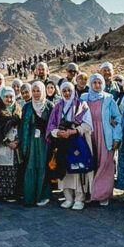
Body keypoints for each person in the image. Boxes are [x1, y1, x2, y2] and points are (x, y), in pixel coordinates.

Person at [46, 82, 93, 210]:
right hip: (62, 142)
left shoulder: (81, 105)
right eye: (64, 91)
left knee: (78, 170)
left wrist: (73, 131)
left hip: (76, 141)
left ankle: (79, 198)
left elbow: (88, 125)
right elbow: (51, 126)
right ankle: (68, 198)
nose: (67, 93)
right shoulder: (57, 107)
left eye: (69, 90)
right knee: (64, 169)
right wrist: (58, 132)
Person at [80, 74, 122, 206]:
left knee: (105, 163)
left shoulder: (109, 99)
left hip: (104, 135)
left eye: (99, 83)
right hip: (88, 135)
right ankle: (89, 192)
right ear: (90, 84)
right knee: (90, 163)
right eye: (94, 83)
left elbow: (117, 118)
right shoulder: (84, 98)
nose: (97, 85)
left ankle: (102, 194)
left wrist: (116, 137)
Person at [20, 81, 54, 206]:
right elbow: (23, 126)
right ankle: (29, 197)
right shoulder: (27, 107)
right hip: (31, 141)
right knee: (30, 166)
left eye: (38, 90)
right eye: (33, 91)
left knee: (43, 166)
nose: (35, 93)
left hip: (45, 142)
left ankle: (42, 196)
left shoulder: (49, 106)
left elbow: (53, 124)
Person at [0, 87, 22, 202]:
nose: (9, 99)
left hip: (15, 146)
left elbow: (22, 127)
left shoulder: (18, 109)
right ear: (2, 98)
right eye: (6, 97)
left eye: (11, 97)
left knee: (14, 170)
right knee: (1, 170)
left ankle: (13, 193)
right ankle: (2, 194)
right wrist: (7, 142)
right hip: (1, 145)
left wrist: (17, 141)